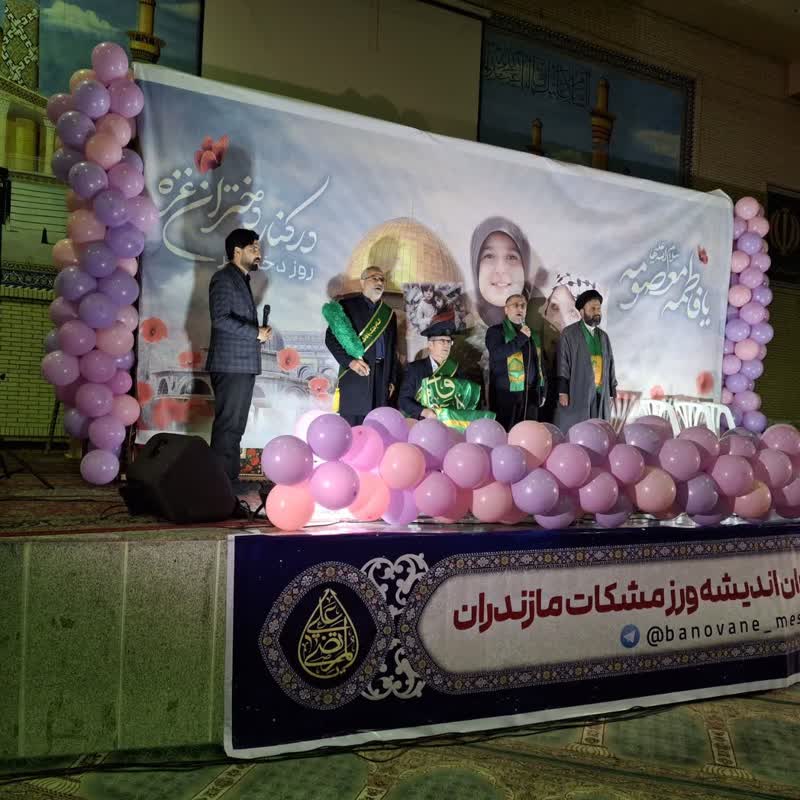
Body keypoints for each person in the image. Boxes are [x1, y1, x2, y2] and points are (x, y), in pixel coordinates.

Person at [206, 229, 271, 489]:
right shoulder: (224, 278)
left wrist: (258, 334)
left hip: (242, 364)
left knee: (235, 427)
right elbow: (220, 319)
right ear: (237, 251)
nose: (258, 253)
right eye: (253, 248)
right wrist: (255, 332)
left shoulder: (241, 279)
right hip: (231, 364)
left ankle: (227, 482)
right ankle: (219, 486)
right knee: (228, 426)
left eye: (258, 248)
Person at [324, 266, 398, 426]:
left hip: (382, 379)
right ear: (362, 282)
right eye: (375, 278)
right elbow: (330, 339)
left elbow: (392, 349)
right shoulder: (346, 306)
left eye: (382, 279)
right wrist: (350, 362)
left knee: (378, 428)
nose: (379, 282)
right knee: (354, 429)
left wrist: (391, 379)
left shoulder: (389, 314)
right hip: (355, 375)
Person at [399, 311, 495, 429]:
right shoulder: (415, 369)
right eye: (442, 341)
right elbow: (403, 400)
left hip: (450, 428)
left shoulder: (458, 370)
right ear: (430, 344)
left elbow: (467, 402)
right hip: (421, 426)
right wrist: (425, 412)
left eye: (449, 341)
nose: (446, 345)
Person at [553, 289, 617, 433]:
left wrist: (611, 391)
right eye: (592, 308)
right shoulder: (569, 333)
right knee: (577, 426)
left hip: (601, 389)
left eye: (598, 308)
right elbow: (563, 363)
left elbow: (610, 364)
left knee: (599, 428)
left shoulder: (603, 336)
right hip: (578, 388)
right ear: (581, 312)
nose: (597, 312)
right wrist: (563, 391)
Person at [485, 293, 546, 430]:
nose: (520, 308)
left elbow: (540, 364)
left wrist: (542, 390)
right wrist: (521, 338)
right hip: (506, 394)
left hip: (531, 394)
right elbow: (497, 354)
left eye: (523, 306)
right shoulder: (496, 331)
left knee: (529, 433)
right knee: (507, 433)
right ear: (506, 310)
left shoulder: (532, 334)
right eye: (516, 305)